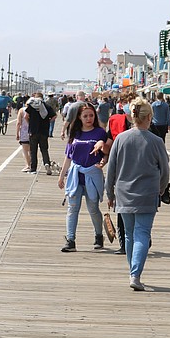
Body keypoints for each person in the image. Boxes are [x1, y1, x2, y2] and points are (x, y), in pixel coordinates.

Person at [105, 98, 170, 291]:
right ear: (149, 117)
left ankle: (132, 271)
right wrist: (161, 188)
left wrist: (109, 193)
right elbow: (165, 170)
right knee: (142, 234)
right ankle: (135, 274)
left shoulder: (121, 139)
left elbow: (111, 169)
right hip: (148, 194)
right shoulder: (156, 141)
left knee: (130, 235)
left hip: (124, 193)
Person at [57, 103, 109, 252]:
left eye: (91, 115)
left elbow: (106, 152)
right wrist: (62, 176)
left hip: (92, 175)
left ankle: (99, 236)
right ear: (79, 117)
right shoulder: (75, 134)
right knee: (72, 208)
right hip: (75, 175)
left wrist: (103, 161)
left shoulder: (100, 132)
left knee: (93, 208)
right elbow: (68, 157)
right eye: (85, 116)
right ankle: (70, 239)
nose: (88, 119)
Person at [106, 90, 135, 255]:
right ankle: (124, 244)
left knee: (139, 209)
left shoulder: (148, 124)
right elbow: (109, 142)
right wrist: (101, 153)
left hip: (140, 171)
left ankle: (143, 236)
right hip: (121, 170)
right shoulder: (116, 121)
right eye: (126, 104)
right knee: (121, 207)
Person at [26, 93, 57, 174]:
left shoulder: (31, 106)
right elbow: (54, 116)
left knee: (33, 150)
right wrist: (48, 122)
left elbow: (26, 116)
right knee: (44, 149)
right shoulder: (46, 106)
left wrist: (30, 123)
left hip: (33, 131)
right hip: (44, 131)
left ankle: (33, 169)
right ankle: (46, 163)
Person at [16, 104, 32, 172]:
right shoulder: (35, 110)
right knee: (32, 150)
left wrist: (17, 133)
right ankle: (32, 165)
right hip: (33, 132)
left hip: (24, 132)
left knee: (25, 150)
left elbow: (18, 123)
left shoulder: (22, 110)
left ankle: (28, 165)